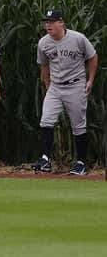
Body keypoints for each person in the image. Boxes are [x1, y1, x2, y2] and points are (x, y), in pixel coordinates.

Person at [32, 9, 98, 175]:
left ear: (61, 23)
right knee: (46, 120)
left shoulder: (77, 38)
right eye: (46, 22)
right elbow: (44, 65)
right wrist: (48, 86)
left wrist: (90, 80)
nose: (48, 24)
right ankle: (45, 160)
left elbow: (93, 56)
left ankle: (81, 163)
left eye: (52, 21)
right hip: (55, 86)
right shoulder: (43, 43)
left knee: (78, 125)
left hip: (75, 85)